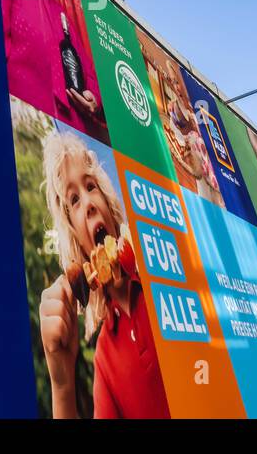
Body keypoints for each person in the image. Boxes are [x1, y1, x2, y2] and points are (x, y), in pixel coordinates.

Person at [37, 129, 170, 419]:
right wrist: (61, 385)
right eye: (74, 200)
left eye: (91, 186)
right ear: (77, 241)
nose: (87, 203)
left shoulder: (164, 272)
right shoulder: (104, 357)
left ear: (108, 205)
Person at [0, 0, 108, 142]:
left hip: (73, 132)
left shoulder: (63, 16)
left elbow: (89, 74)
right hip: (22, 120)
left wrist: (94, 99)